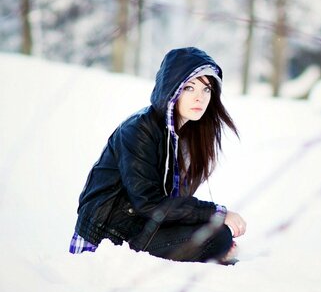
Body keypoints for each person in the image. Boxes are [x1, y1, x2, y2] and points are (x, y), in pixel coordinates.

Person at [69, 47, 246, 264]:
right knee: (217, 236)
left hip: (144, 225)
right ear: (171, 89)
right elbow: (150, 204)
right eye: (189, 88)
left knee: (216, 234)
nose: (199, 98)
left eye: (207, 89)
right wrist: (217, 213)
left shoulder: (185, 136)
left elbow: (173, 205)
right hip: (111, 235)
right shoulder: (139, 130)